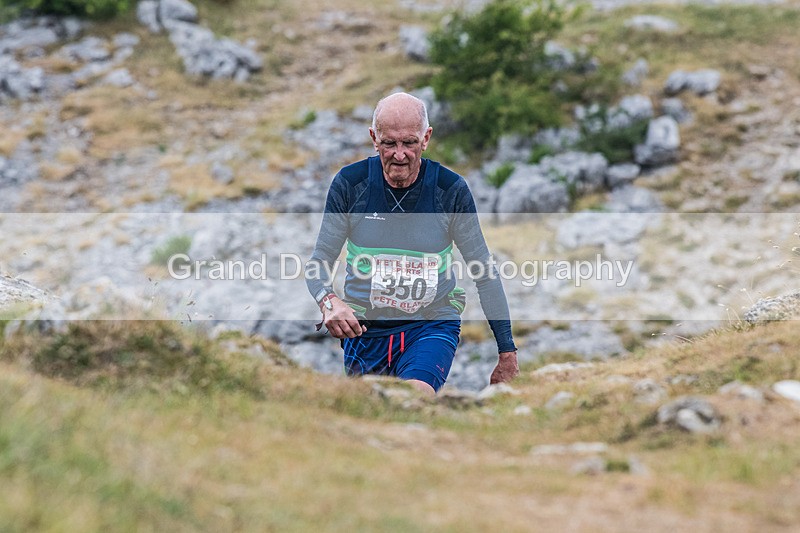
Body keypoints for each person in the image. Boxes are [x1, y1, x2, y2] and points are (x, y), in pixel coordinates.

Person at [305, 92, 518, 395]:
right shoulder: (351, 185)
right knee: (374, 418)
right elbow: (318, 264)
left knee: (413, 397)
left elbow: (484, 272)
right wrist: (329, 302)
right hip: (365, 332)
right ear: (373, 138)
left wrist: (507, 352)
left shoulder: (450, 190)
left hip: (431, 325)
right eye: (389, 143)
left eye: (409, 143)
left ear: (426, 138)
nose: (400, 154)